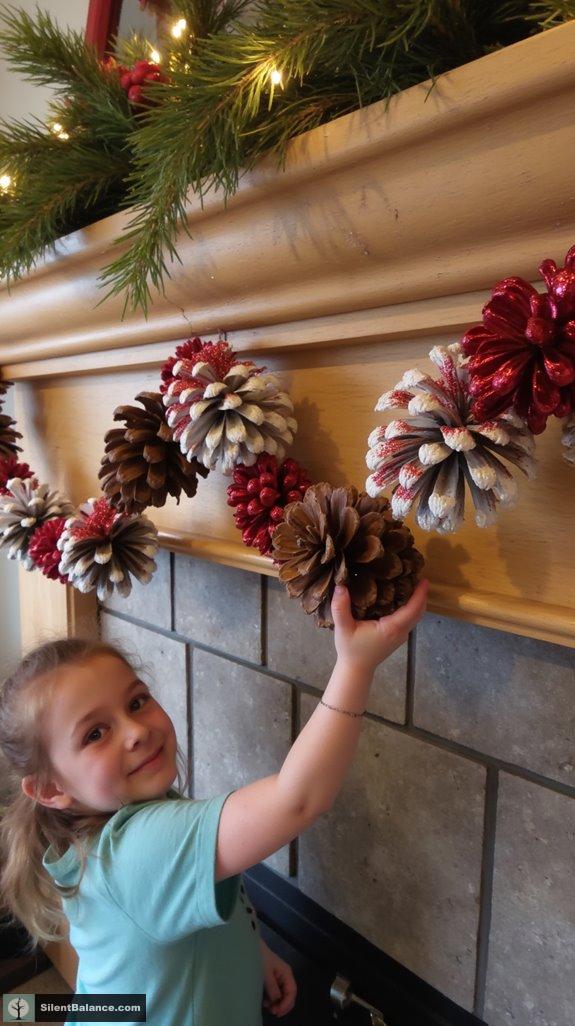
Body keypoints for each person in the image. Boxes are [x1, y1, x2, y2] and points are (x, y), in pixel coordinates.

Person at [0, 579, 428, 1025]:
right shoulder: (138, 851)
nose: (136, 731)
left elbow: (190, 912)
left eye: (137, 701)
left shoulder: (108, 824)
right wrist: (356, 665)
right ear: (50, 790)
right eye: (94, 733)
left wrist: (252, 952)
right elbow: (298, 800)